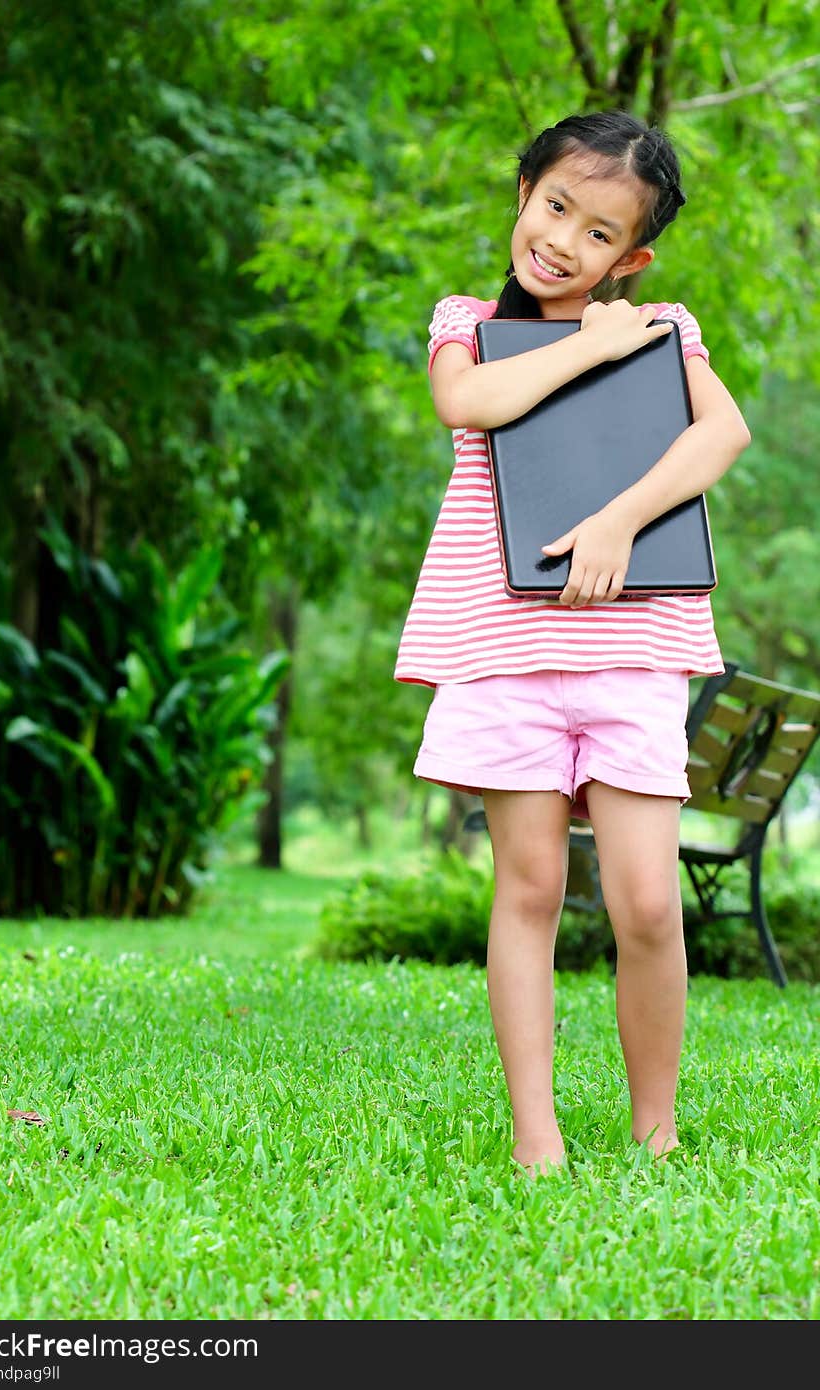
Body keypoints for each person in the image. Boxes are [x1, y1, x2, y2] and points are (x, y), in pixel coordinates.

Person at [394, 110, 752, 1177]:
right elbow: (470, 399)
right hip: (502, 655)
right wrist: (583, 342)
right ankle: (536, 1136)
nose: (563, 240)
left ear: (630, 258)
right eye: (554, 206)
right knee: (531, 887)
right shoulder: (466, 321)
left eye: (599, 233)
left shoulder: (660, 328)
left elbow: (719, 434)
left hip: (632, 651)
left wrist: (615, 522)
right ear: (522, 194)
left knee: (646, 898)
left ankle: (656, 1126)